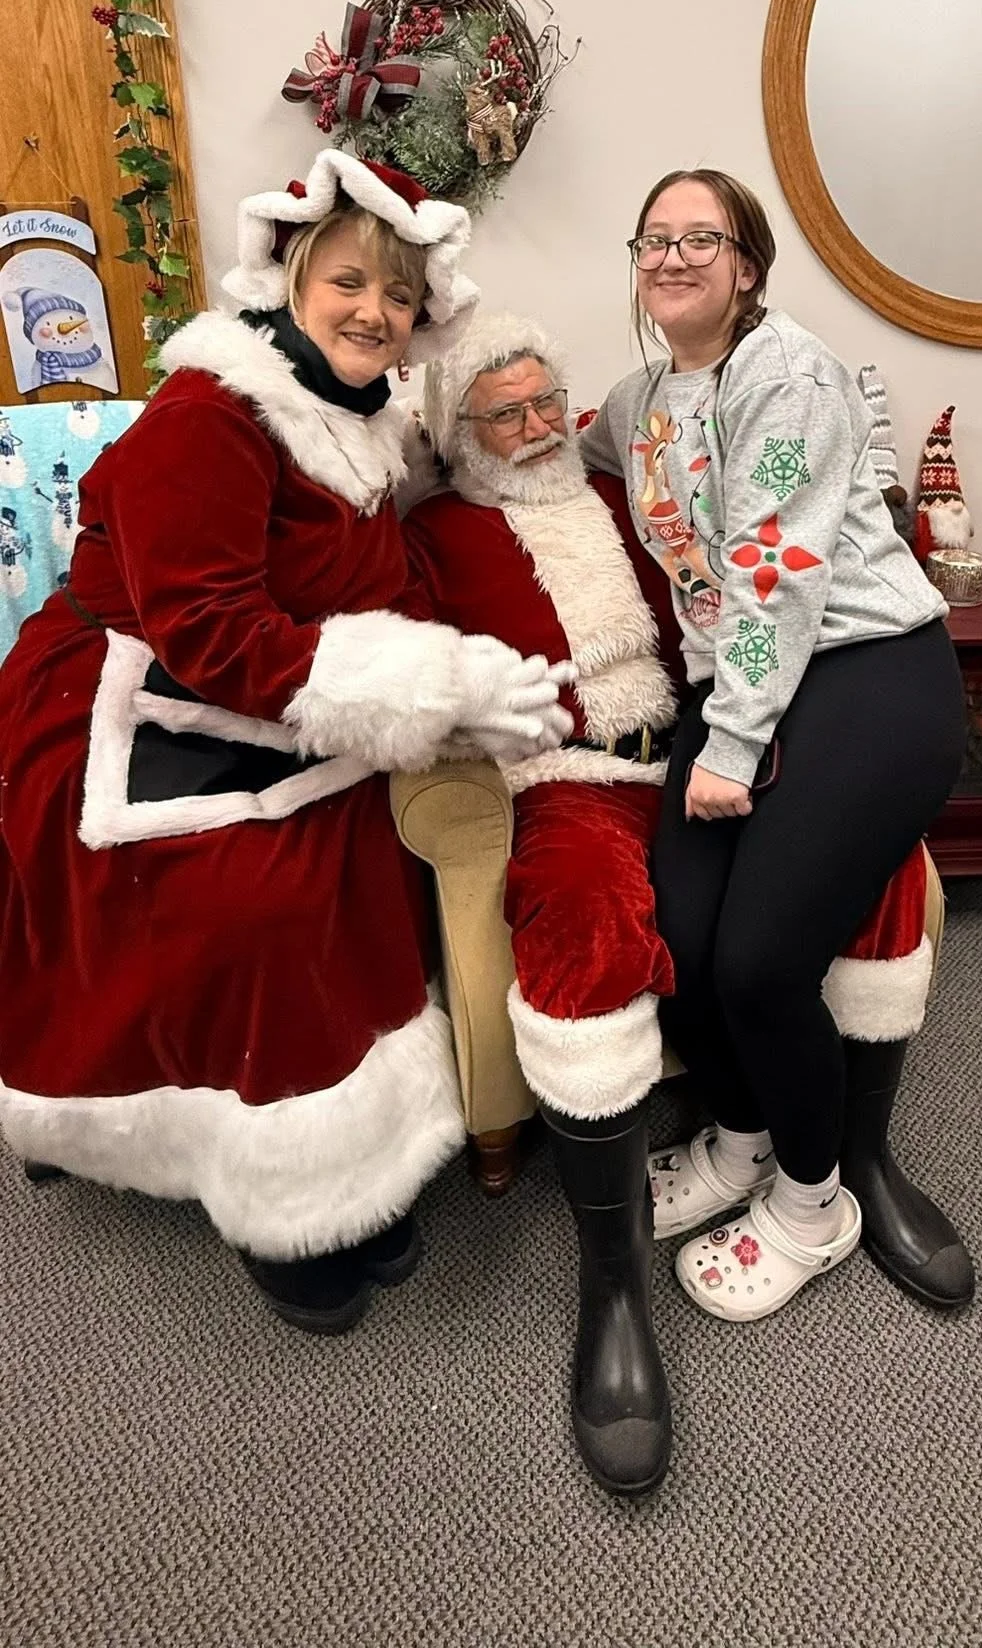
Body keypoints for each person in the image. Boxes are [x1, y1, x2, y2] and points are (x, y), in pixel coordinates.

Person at [0, 148, 571, 1336]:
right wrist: (424, 680)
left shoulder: (372, 422)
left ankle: (348, 1160)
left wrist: (461, 677)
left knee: (362, 854)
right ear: (295, 276)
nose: (375, 310)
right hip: (135, 688)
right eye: (350, 281)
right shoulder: (209, 414)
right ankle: (278, 1195)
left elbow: (380, 580)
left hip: (288, 696)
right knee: (253, 899)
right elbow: (207, 629)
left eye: (400, 294)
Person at [578, 167, 971, 1323]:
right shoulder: (640, 395)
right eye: (653, 239)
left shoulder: (787, 374)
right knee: (683, 936)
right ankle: (744, 1132)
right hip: (745, 684)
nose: (673, 256)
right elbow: (554, 440)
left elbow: (774, 572)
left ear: (747, 264)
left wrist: (731, 746)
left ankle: (815, 1202)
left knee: (757, 959)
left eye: (703, 237)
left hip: (865, 671)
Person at [404, 312, 682, 1496]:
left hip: (696, 749)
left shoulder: (628, 499)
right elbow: (408, 671)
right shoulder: (434, 534)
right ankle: (612, 1277)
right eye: (503, 413)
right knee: (578, 918)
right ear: (459, 432)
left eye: (545, 404)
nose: (533, 430)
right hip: (566, 778)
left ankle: (840, 1164)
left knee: (854, 853)